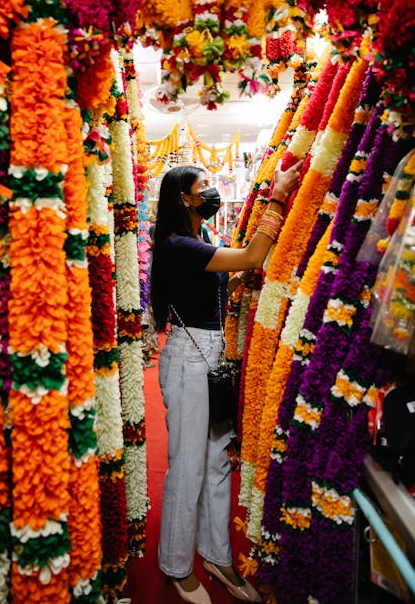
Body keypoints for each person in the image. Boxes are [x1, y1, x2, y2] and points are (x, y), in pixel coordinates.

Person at [150, 161, 302, 604]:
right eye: (205, 188)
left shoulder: (202, 241)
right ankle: (176, 564)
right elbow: (252, 256)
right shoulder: (178, 244)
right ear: (184, 198)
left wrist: (235, 284)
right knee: (188, 465)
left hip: (211, 358)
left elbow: (224, 280)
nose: (212, 193)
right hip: (188, 361)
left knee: (217, 462)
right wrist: (277, 198)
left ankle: (215, 553)